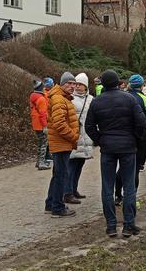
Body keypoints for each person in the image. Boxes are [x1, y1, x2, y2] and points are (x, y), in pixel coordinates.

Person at [85, 70, 146, 238]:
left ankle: (111, 226)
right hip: (128, 147)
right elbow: (141, 122)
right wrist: (135, 138)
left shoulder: (97, 102)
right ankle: (128, 225)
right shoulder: (130, 99)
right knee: (129, 187)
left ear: (103, 84)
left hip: (108, 148)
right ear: (119, 82)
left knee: (107, 187)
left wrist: (100, 140)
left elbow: (89, 126)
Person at [114, 74, 146, 206]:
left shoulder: (120, 98)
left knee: (122, 167)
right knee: (135, 168)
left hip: (123, 137)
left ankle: (118, 195)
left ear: (129, 85)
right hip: (140, 139)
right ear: (142, 85)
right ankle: (131, 197)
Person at [45, 72, 79, 217]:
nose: (72, 86)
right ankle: (57, 208)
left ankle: (50, 203)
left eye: (74, 83)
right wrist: (73, 136)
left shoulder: (62, 97)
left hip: (61, 143)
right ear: (62, 84)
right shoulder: (59, 99)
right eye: (69, 83)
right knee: (61, 175)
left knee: (57, 174)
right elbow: (59, 124)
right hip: (61, 143)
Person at [65, 73, 94, 204]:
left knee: (79, 164)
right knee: (71, 165)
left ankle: (74, 189)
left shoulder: (91, 99)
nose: (77, 86)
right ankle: (68, 192)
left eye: (80, 84)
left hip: (85, 136)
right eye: (76, 84)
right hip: (74, 135)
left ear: (86, 86)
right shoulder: (70, 98)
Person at [29, 80, 51, 170]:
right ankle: (41, 162)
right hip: (41, 124)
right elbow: (42, 114)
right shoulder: (41, 99)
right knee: (44, 144)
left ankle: (38, 161)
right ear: (41, 88)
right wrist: (45, 126)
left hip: (35, 123)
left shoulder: (33, 96)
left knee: (40, 143)